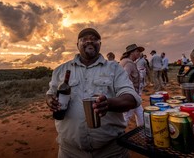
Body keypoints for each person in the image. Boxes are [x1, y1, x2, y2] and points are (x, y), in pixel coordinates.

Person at [46, 28, 141, 157]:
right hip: (70, 151)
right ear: (77, 45)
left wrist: (109, 103)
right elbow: (50, 94)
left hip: (111, 150)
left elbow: (131, 98)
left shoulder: (115, 68)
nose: (90, 41)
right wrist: (51, 100)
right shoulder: (60, 70)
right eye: (84, 39)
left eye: (94, 39)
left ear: (100, 45)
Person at [120, 44, 145, 127]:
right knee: (126, 117)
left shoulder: (125, 61)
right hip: (131, 95)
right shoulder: (128, 63)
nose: (139, 53)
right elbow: (124, 78)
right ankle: (118, 136)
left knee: (140, 114)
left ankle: (142, 134)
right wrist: (130, 93)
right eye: (137, 51)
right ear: (131, 53)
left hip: (133, 95)